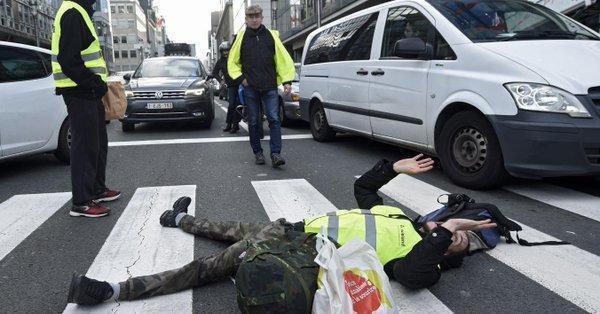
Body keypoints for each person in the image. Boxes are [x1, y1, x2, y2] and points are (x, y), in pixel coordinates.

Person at [66, 155, 497, 305]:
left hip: (297, 254)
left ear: (446, 255)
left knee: (213, 266)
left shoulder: (416, 261)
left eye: (459, 244)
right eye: (460, 234)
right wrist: (392, 169)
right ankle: (178, 219)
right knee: (230, 228)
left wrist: (448, 231)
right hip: (293, 228)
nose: (458, 236)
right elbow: (363, 189)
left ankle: (112, 291)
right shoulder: (400, 221)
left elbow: (413, 274)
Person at [51, 0, 120, 218]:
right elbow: (67, 59)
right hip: (80, 91)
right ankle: (81, 202)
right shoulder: (73, 12)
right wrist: (94, 83)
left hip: (87, 91)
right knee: (85, 145)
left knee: (97, 142)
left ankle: (97, 190)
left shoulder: (79, 10)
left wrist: (96, 86)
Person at [227, 5, 296, 167]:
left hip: (270, 86)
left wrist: (287, 80)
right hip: (250, 87)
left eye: (257, 16)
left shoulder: (271, 36)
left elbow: (282, 59)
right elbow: (232, 61)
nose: (254, 19)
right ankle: (258, 153)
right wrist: (241, 79)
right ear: (246, 19)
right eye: (251, 17)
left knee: (274, 119)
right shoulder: (242, 37)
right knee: (253, 121)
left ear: (261, 17)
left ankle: (275, 154)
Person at [212, 41, 241, 134]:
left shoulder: (235, 58)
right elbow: (214, 73)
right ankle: (230, 124)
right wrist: (221, 80)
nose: (226, 52)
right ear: (221, 52)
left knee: (242, 103)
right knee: (232, 104)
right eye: (223, 51)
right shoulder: (220, 61)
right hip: (231, 85)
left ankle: (236, 125)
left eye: (227, 50)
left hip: (242, 83)